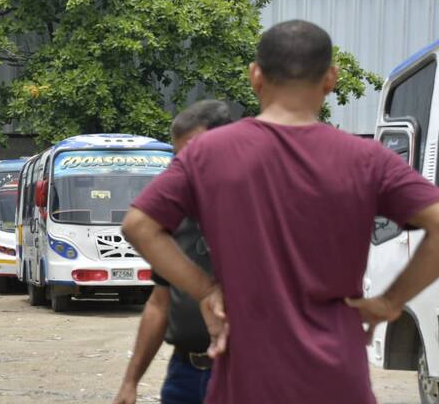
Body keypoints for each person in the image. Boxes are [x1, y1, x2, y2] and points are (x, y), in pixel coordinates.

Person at [121, 20, 439, 403]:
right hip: (336, 378)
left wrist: (205, 290)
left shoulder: (210, 154)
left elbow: (139, 225)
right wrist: (389, 303)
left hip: (244, 381)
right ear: (331, 79)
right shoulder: (368, 159)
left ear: (256, 76)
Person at [114, 100, 233, 404]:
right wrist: (130, 382)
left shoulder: (255, 213)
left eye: (194, 154)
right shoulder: (170, 221)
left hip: (241, 373)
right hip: (185, 374)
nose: (184, 168)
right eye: (178, 158)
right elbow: (159, 304)